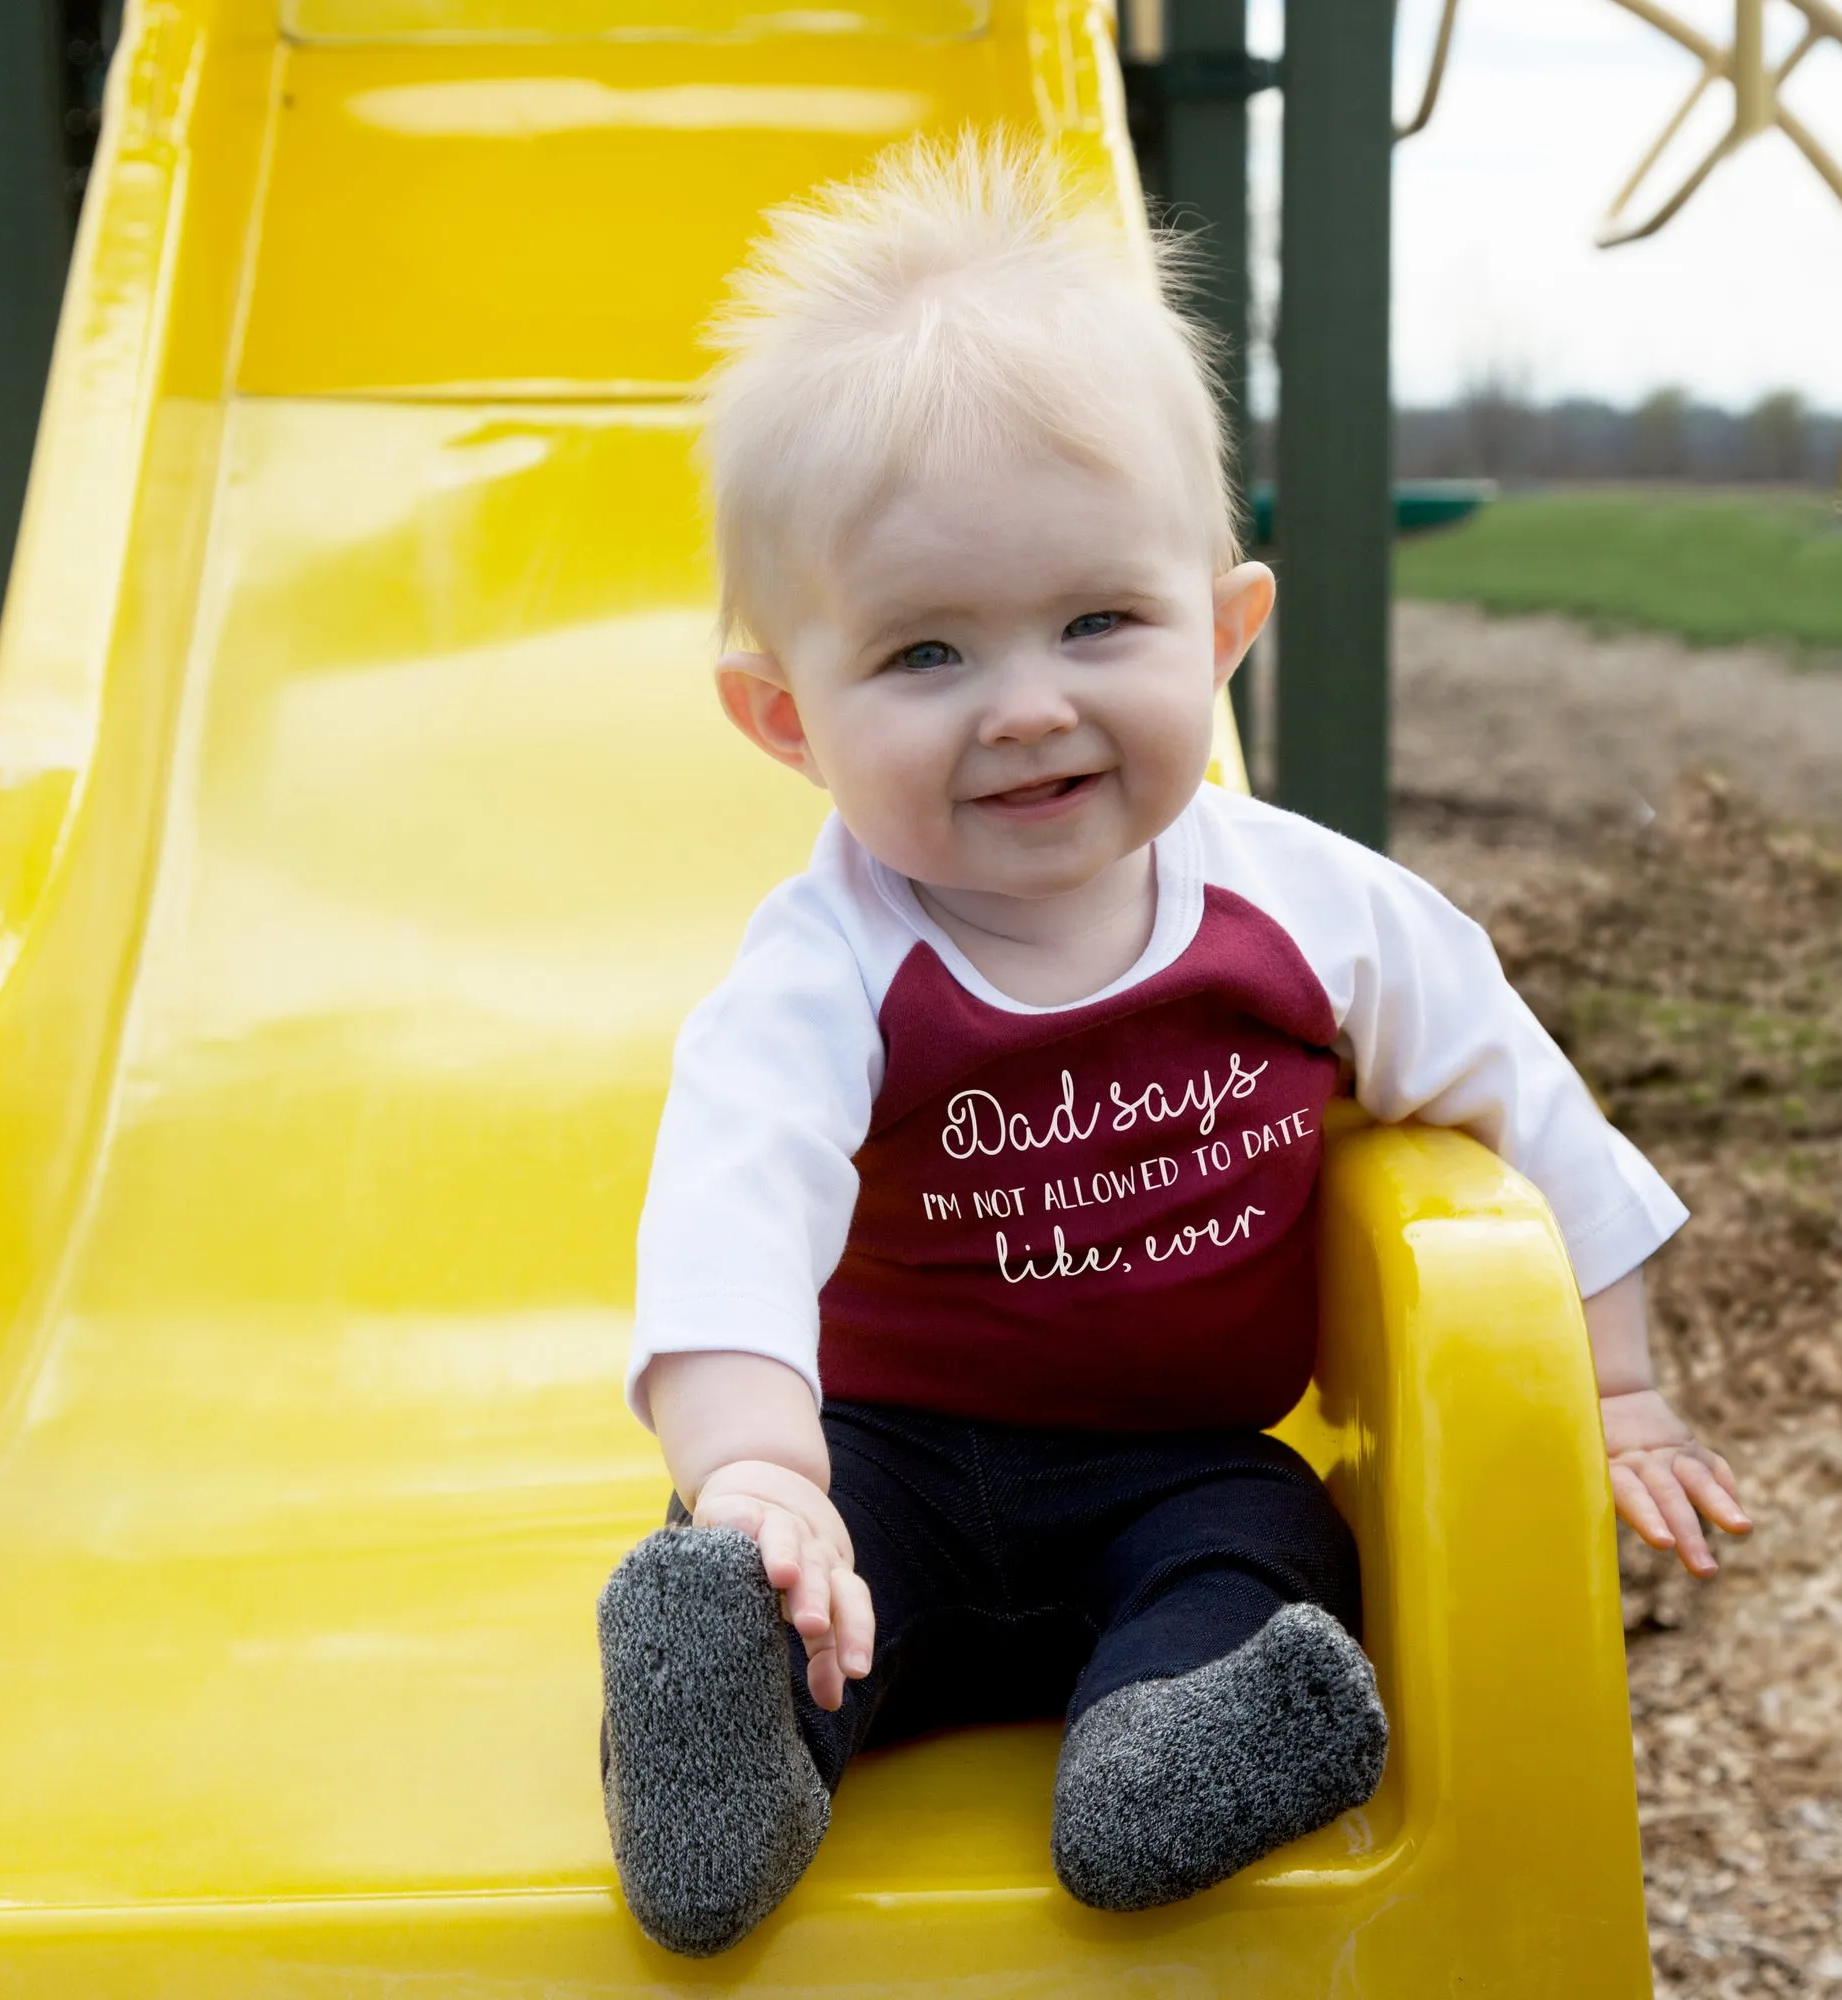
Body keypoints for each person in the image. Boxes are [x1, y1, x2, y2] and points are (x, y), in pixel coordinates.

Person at [595, 131, 1750, 1959]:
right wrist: (755, 1470)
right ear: (784, 719)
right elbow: (729, 1214)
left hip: (1179, 1454)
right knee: (802, 1594)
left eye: (1097, 622)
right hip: (881, 1449)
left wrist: (1610, 1386)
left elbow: (1520, 1105)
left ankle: (1176, 1756)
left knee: (1261, 1555)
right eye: (924, 657)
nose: (1028, 704)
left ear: (1222, 632)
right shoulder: (827, 967)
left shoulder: (1317, 910)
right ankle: (733, 1752)